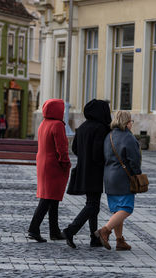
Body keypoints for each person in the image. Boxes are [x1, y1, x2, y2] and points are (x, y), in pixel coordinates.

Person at [63, 99, 111, 248]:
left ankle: (94, 237)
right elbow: (98, 153)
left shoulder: (82, 127)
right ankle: (71, 230)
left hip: (84, 169)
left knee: (92, 204)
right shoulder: (102, 128)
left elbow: (75, 149)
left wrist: (85, 157)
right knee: (92, 205)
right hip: (95, 171)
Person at [95, 111, 141, 251]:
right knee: (126, 208)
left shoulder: (108, 136)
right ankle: (105, 230)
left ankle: (120, 240)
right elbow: (134, 160)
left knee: (117, 210)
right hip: (123, 178)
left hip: (109, 177)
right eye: (131, 121)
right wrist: (137, 175)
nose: (132, 124)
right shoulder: (129, 137)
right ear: (127, 122)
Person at [27, 99, 71, 242]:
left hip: (44, 164)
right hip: (54, 166)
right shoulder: (58, 125)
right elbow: (62, 148)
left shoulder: (43, 123)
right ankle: (34, 229)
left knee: (53, 198)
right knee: (47, 199)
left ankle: (54, 230)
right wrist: (66, 164)